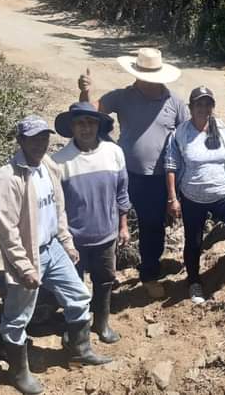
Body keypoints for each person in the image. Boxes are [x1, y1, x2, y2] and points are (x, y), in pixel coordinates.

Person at [0, 116, 109, 395]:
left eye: (43, 137)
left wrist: (66, 241)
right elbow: (7, 232)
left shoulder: (49, 166)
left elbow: (58, 210)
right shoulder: (5, 179)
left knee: (79, 295)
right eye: (32, 138)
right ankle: (19, 373)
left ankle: (79, 349)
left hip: (52, 247)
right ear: (20, 141)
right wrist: (24, 267)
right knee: (17, 317)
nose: (40, 143)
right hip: (28, 254)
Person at [81, 47, 189, 299]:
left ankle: (149, 274)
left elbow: (187, 135)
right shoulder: (123, 96)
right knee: (108, 222)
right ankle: (100, 277)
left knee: (153, 227)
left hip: (158, 178)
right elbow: (89, 114)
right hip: (124, 173)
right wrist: (85, 92)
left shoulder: (173, 102)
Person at [52, 102, 131, 344]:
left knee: (105, 280)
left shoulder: (113, 153)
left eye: (90, 122)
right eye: (80, 123)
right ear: (71, 127)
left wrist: (123, 225)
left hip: (106, 235)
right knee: (73, 286)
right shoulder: (58, 161)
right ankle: (76, 328)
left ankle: (102, 323)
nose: (85, 128)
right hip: (72, 240)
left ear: (98, 125)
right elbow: (56, 207)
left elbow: (122, 193)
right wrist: (63, 238)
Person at [167, 86, 225, 304]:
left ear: (212, 107)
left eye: (208, 104)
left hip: (221, 195)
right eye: (199, 104)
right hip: (192, 198)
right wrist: (173, 198)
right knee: (193, 242)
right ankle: (194, 282)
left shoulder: (222, 130)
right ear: (191, 107)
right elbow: (171, 166)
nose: (203, 108)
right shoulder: (180, 133)